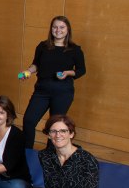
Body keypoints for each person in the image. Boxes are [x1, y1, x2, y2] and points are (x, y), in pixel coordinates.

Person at [20, 16, 86, 149]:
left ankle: (50, 153)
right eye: (55, 27)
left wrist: (68, 73)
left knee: (54, 125)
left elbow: (81, 70)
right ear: (51, 29)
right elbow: (36, 65)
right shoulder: (42, 46)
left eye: (62, 27)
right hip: (42, 90)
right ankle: (26, 151)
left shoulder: (75, 50)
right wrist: (28, 71)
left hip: (63, 92)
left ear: (67, 30)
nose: (58, 30)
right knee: (29, 120)